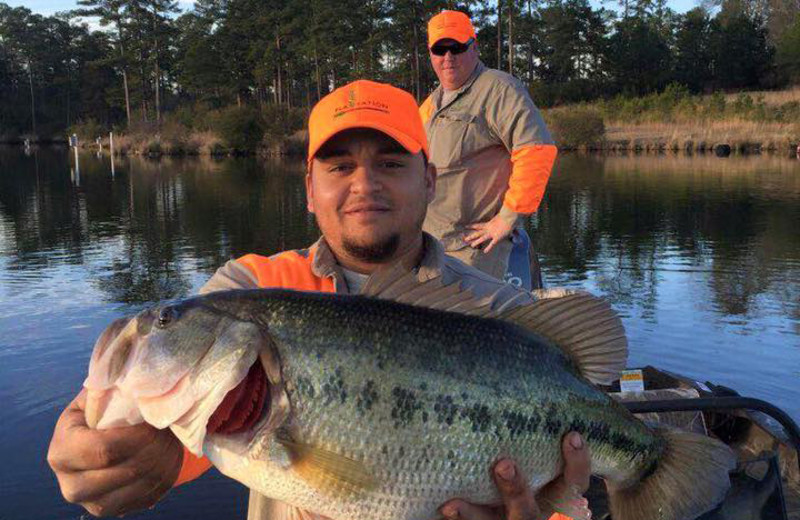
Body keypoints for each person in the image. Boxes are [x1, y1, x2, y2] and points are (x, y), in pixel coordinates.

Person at [48, 80, 590, 520]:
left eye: (391, 162)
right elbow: (170, 424)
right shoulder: (250, 290)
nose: (364, 184)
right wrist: (128, 453)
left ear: (430, 180)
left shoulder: (501, 316)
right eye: (338, 166)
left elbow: (565, 490)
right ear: (309, 188)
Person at [420, 10, 558, 282]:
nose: (448, 57)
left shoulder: (499, 89)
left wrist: (507, 219)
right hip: (432, 249)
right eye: (440, 49)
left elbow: (537, 149)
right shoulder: (428, 105)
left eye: (457, 47)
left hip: (475, 252)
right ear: (430, 54)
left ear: (474, 47)